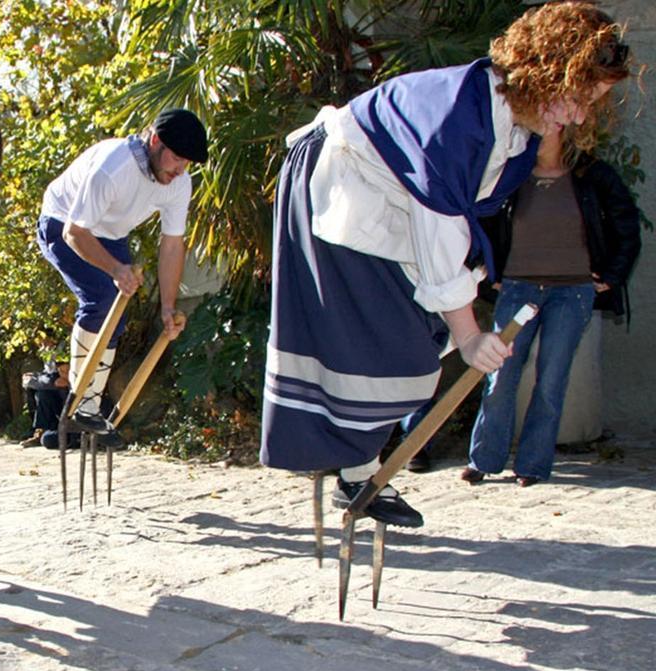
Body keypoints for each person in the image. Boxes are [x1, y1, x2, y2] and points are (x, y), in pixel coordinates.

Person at [259, 1, 631, 528]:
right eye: (577, 97)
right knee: (395, 348)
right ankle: (355, 474)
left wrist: (467, 308)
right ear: (545, 71)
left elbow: (457, 221)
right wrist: (471, 332)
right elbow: (440, 222)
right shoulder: (463, 118)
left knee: (416, 341)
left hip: (386, 207)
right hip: (338, 184)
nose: (578, 116)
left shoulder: (510, 126)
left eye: (590, 104)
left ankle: (357, 476)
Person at [463, 128, 641, 487]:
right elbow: (477, 223)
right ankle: (483, 459)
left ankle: (532, 466)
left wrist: (612, 274)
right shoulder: (508, 175)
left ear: (568, 133)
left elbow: (626, 224)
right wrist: (489, 273)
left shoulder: (594, 175)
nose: (538, 133)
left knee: (552, 381)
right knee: (501, 376)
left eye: (549, 128)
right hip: (517, 289)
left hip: (572, 292)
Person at [36, 108, 204, 436]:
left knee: (118, 313)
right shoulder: (114, 168)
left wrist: (168, 307)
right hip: (62, 222)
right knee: (101, 298)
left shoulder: (179, 182)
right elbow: (75, 233)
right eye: (176, 158)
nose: (181, 170)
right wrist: (115, 269)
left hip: (109, 234)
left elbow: (171, 245)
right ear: (155, 141)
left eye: (187, 163)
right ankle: (80, 399)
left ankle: (87, 408)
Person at [21, 361, 70, 447]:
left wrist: (34, 381)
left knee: (48, 439)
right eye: (61, 371)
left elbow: (52, 381)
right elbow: (49, 379)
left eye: (65, 371)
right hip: (60, 419)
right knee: (43, 393)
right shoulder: (49, 356)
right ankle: (41, 430)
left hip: (75, 422)